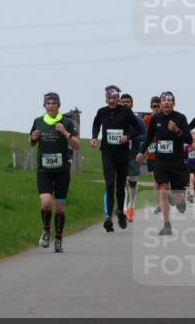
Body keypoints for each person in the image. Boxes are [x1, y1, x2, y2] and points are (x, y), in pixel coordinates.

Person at [30, 92, 80, 252]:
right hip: (44, 169)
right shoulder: (38, 121)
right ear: (44, 105)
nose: (51, 106)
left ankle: (58, 238)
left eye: (54, 103)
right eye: (48, 103)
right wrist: (33, 138)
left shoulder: (66, 122)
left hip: (62, 170)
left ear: (59, 105)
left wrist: (65, 132)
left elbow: (77, 145)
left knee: (59, 207)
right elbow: (32, 143)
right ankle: (46, 230)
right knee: (45, 203)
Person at [90, 85, 140, 232]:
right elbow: (96, 125)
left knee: (120, 185)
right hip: (107, 152)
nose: (111, 101)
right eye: (109, 98)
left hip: (122, 153)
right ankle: (108, 218)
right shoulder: (102, 112)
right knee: (110, 184)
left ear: (118, 98)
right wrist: (94, 137)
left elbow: (138, 129)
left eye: (114, 98)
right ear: (106, 98)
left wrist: (128, 136)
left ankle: (120, 213)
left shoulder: (126, 112)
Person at [138, 91, 189, 236]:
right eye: (164, 100)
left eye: (169, 100)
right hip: (160, 161)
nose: (166, 102)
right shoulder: (156, 119)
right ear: (160, 104)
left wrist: (177, 130)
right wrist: (142, 151)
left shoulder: (180, 118)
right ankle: (167, 224)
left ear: (174, 103)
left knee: (177, 194)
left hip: (177, 161)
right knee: (163, 190)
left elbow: (188, 140)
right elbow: (149, 137)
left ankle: (180, 201)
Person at [120, 93, 148, 222]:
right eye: (123, 101)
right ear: (120, 103)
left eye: (128, 102)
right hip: (119, 154)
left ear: (132, 104)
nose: (125, 104)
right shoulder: (117, 118)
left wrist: (132, 137)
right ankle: (125, 208)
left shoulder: (138, 120)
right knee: (121, 181)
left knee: (132, 181)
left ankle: (132, 205)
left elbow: (145, 135)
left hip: (133, 154)